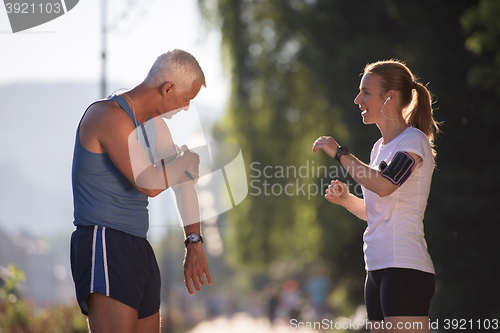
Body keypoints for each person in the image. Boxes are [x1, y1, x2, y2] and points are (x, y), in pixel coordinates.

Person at [70, 49, 212, 333]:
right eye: (186, 99)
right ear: (168, 88)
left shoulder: (155, 127)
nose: (185, 108)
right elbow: (148, 182)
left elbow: (182, 183)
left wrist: (194, 241)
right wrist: (183, 161)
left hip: (139, 246)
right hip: (105, 240)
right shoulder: (108, 116)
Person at [312, 60, 439, 333]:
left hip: (404, 265)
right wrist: (347, 200)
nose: (358, 99)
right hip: (377, 267)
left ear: (389, 96)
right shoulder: (378, 148)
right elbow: (376, 211)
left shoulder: (413, 141)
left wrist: (340, 153)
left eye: (366, 92)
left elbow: (385, 185)